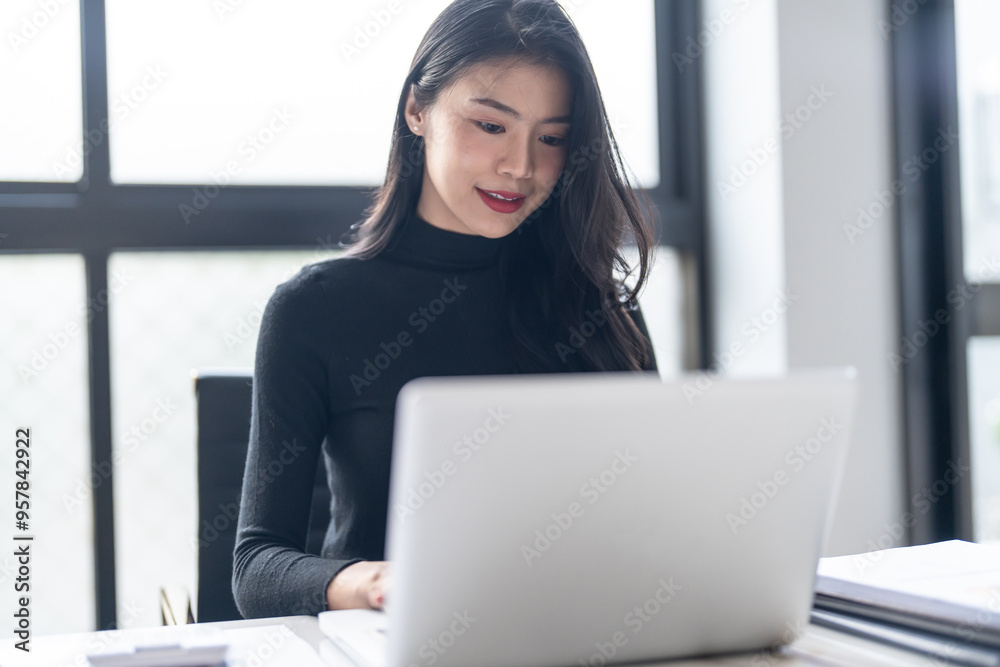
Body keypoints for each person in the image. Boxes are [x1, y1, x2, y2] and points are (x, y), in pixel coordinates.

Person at [231, 0, 659, 620]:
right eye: (491, 126)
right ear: (417, 110)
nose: (521, 166)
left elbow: (654, 517)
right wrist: (372, 585)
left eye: (553, 138)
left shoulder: (598, 306)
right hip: (399, 642)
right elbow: (257, 565)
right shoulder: (315, 310)